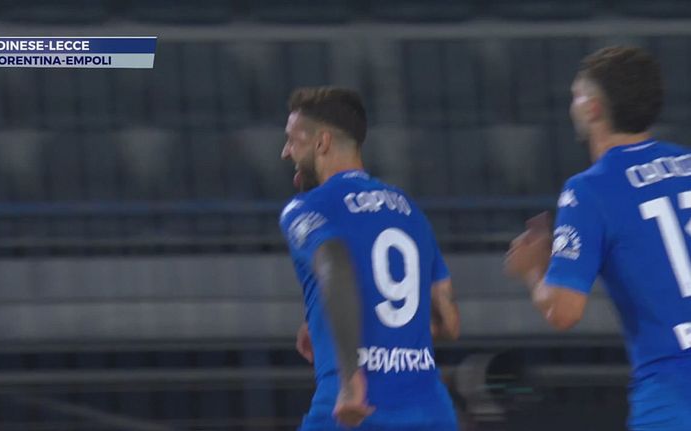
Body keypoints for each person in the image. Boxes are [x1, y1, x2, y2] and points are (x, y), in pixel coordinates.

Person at [505, 45, 691, 430]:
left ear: (592, 108)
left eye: (576, 96)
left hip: (672, 390)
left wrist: (532, 269)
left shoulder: (590, 190)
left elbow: (564, 312)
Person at [279, 86, 460, 430]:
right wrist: (327, 324)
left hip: (355, 409)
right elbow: (449, 323)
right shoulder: (411, 213)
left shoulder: (307, 208)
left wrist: (351, 378)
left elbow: (334, 262)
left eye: (292, 139)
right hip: (429, 412)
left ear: (322, 142)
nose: (285, 152)